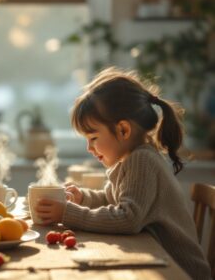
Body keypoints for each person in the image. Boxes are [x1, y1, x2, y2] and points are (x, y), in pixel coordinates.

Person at [35, 67, 211, 279]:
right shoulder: (128, 160)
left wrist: (68, 213)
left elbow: (128, 218)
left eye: (93, 138)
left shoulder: (142, 160)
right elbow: (113, 199)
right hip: (158, 262)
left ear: (123, 130)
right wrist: (84, 198)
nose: (89, 149)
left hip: (179, 271)